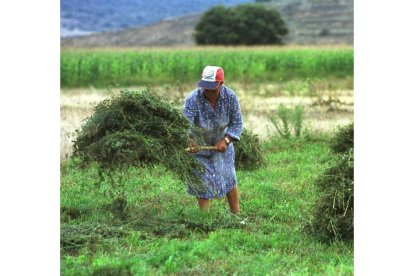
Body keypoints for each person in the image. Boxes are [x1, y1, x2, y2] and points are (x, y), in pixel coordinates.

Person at [183, 65, 243, 214]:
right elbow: (184, 124)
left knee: (229, 177)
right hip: (198, 146)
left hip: (222, 144)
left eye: (213, 88)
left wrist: (227, 140)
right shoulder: (193, 99)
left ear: (221, 84)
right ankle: (206, 218)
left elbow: (237, 123)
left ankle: (236, 215)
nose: (208, 91)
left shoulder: (230, 97)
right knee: (201, 180)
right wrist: (189, 141)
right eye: (206, 87)